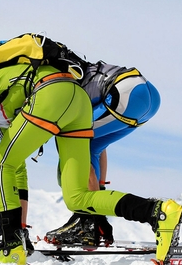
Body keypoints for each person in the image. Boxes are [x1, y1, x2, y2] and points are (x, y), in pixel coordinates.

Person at [0, 57, 182, 265]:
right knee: (77, 197)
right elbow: (17, 170)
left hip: (52, 92)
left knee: (0, 162)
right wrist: (20, 230)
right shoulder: (0, 107)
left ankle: (11, 249)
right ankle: (159, 212)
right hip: (78, 101)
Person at [45, 62, 161, 246]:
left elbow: (81, 157)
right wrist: (99, 193)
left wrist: (96, 211)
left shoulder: (50, 91)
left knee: (70, 148)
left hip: (126, 95)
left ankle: (87, 222)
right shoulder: (67, 72)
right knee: (91, 145)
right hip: (146, 97)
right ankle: (89, 220)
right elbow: (95, 149)